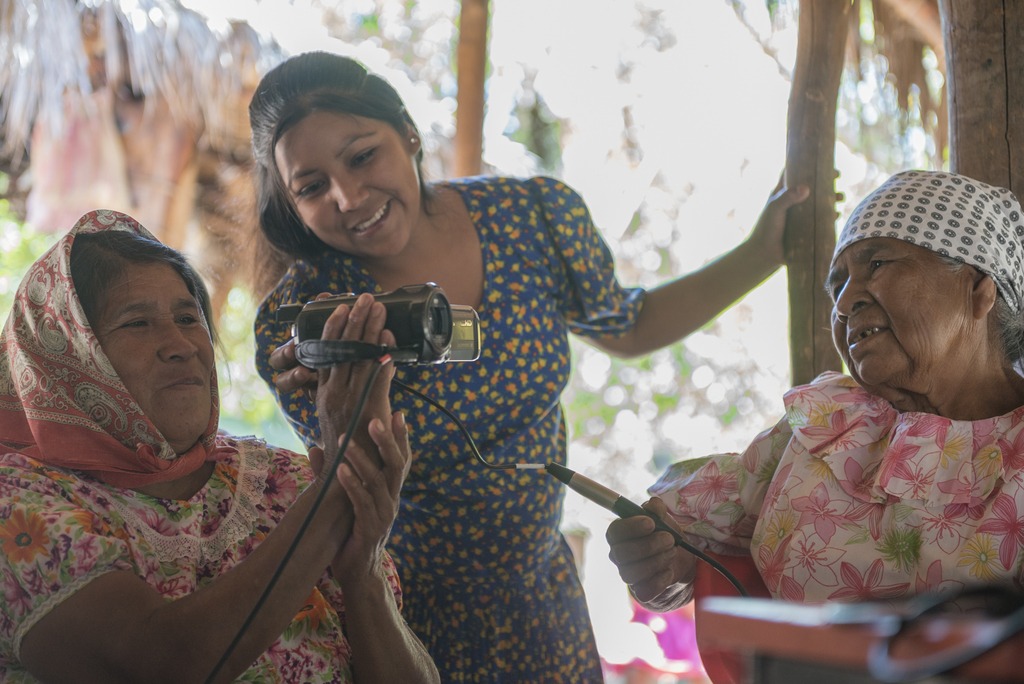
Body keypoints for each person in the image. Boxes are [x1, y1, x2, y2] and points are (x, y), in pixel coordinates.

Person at [248, 50, 808, 682]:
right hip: (402, 623)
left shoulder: (530, 218)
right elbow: (360, 492)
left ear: (407, 133)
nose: (349, 197)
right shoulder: (302, 325)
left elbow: (626, 325)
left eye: (361, 156)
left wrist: (763, 253)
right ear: (290, 205)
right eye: (312, 187)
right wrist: (353, 388)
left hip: (543, 606)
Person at [0, 209, 440, 683]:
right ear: (67, 354)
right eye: (137, 324)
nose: (180, 344)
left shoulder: (282, 481)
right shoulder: (21, 506)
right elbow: (162, 664)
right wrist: (338, 486)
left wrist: (363, 573)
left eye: (188, 317)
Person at [606, 169, 1024, 614]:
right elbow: (681, 536)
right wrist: (659, 564)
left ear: (979, 291)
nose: (844, 303)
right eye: (837, 284)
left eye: (877, 265)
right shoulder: (828, 427)